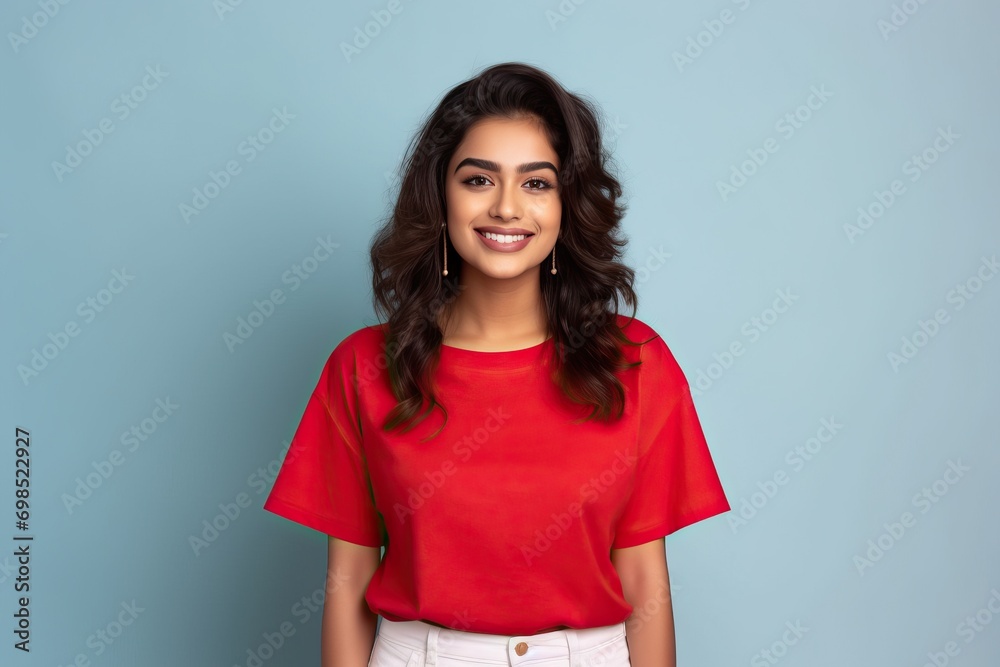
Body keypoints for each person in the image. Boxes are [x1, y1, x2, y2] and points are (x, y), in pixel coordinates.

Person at [263, 61, 730, 667]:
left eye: (536, 183)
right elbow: (347, 583)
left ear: (567, 203)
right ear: (440, 196)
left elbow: (646, 583)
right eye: (479, 180)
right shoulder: (363, 367)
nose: (507, 207)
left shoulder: (635, 362)